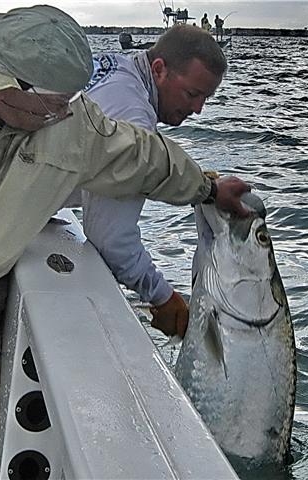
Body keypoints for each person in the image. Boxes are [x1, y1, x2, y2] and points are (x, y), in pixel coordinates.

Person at [0, 5, 251, 468]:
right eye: (53, 105)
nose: (64, 115)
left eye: (68, 102)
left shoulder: (69, 120)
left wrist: (207, 188)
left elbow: (143, 157)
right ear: (6, 82)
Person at [81, 24, 227, 341]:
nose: (198, 109)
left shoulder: (116, 68)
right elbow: (110, 238)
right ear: (159, 69)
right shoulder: (132, 113)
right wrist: (162, 296)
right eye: (192, 94)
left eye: (206, 97)